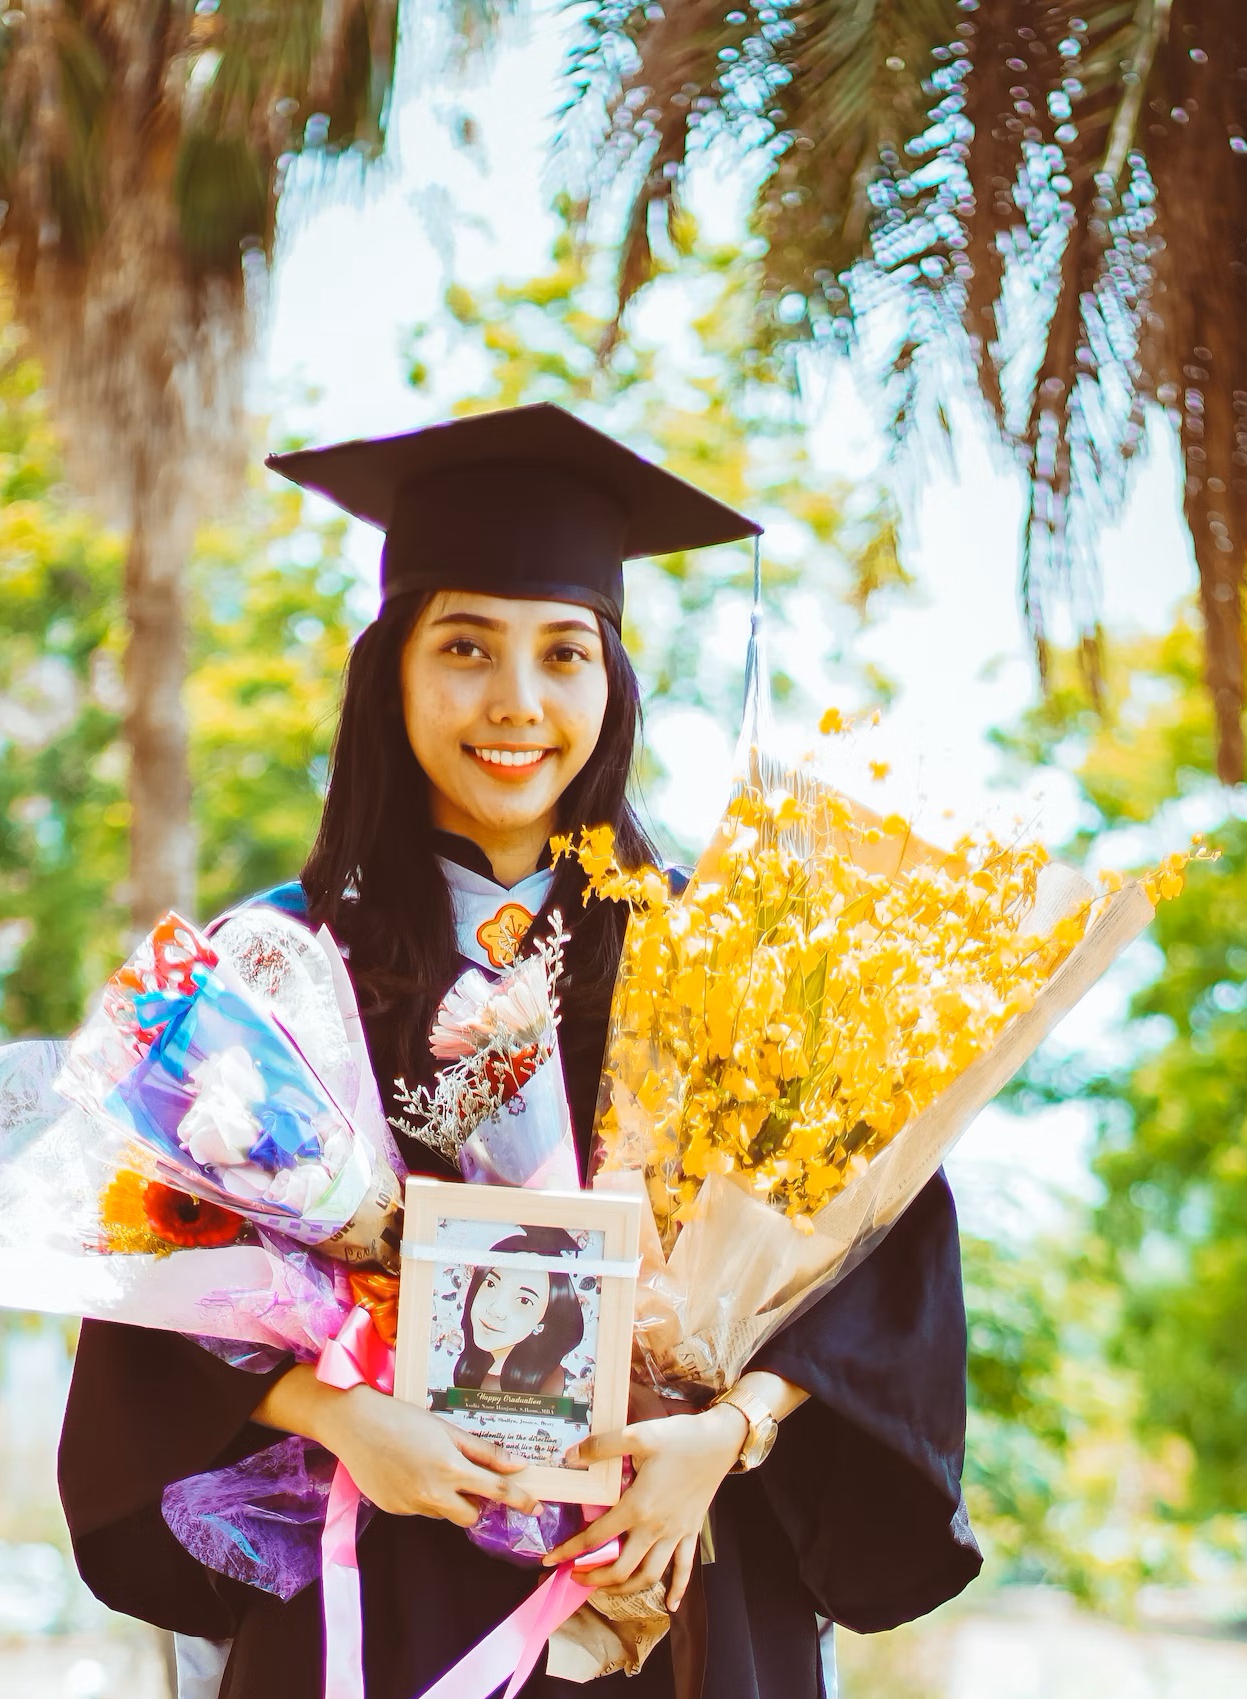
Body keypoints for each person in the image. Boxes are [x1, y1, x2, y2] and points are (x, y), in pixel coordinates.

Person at [58, 403, 982, 1699]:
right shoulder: (279, 970)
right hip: (389, 1580)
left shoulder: (727, 963)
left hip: (670, 1575)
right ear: (391, 669)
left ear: (612, 680)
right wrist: (338, 1416)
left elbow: (883, 1268)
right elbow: (150, 1286)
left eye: (563, 652)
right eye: (465, 647)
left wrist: (719, 1436)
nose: (516, 701)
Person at [450, 1229, 586, 1399]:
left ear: (543, 1321)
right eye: (491, 1284)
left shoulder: (548, 1378)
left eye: (523, 1300)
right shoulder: (472, 1366)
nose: (495, 1310)